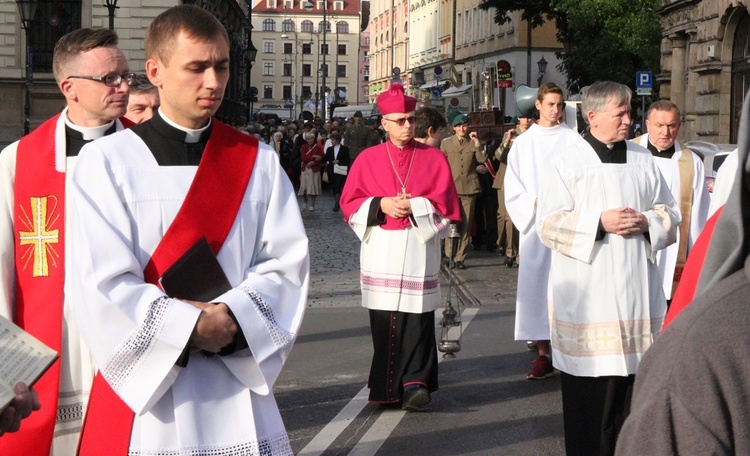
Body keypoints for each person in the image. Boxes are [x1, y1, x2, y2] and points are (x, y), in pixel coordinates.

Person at [66, 6, 309, 455]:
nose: (214, 83)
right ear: (155, 71)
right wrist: (191, 327)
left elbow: (286, 265)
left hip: (235, 384)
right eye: (197, 68)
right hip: (147, 401)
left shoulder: (257, 161)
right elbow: (98, 282)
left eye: (221, 66)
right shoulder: (105, 164)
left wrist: (232, 320)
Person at [0, 28, 134, 456]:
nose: (124, 87)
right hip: (55, 339)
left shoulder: (146, 153)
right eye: (109, 78)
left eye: (126, 75)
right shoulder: (17, 162)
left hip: (128, 332)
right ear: (69, 88)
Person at [536, 81, 679, 455]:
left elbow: (669, 212)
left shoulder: (643, 159)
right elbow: (547, 224)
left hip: (637, 296)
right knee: (592, 401)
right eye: (621, 114)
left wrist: (648, 222)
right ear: (593, 115)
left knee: (632, 398)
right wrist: (599, 223)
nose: (629, 121)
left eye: (630, 112)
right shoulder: (567, 162)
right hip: (589, 297)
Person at [340, 83, 460, 411]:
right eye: (400, 121)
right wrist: (381, 204)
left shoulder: (433, 158)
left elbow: (448, 206)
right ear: (384, 123)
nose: (408, 126)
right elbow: (350, 203)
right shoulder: (368, 159)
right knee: (385, 317)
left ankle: (416, 384)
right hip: (382, 246)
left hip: (418, 246)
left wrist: (418, 207)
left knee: (418, 317)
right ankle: (387, 386)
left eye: (410, 119)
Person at [504, 82, 580, 379]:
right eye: (550, 104)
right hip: (535, 224)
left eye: (560, 105)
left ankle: (568, 348)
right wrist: (533, 202)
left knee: (566, 286)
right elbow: (513, 187)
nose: (556, 110)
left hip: (567, 221)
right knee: (537, 288)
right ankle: (543, 352)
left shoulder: (573, 139)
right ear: (537, 105)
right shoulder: (524, 143)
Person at [633, 100, 709, 301]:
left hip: (673, 253)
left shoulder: (691, 162)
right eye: (659, 125)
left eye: (671, 125)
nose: (665, 132)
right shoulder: (629, 153)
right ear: (648, 124)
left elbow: (699, 216)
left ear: (679, 126)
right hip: (635, 245)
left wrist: (696, 262)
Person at [440, 114, 485, 269]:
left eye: (464, 125)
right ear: (453, 128)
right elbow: (441, 165)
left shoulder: (472, 143)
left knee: (466, 225)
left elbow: (482, 160)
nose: (462, 128)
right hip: (451, 189)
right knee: (450, 223)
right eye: (458, 126)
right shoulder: (446, 144)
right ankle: (449, 254)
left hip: (469, 189)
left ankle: (460, 257)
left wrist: (477, 143)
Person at [493, 115, 533, 268]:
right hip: (507, 179)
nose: (527, 120)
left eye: (529, 118)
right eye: (524, 118)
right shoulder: (511, 134)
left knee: (520, 217)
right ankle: (510, 250)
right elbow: (498, 156)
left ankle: (519, 252)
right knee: (507, 217)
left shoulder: (533, 134)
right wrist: (507, 141)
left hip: (525, 179)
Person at [298, 131, 324, 211]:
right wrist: (313, 156)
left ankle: (312, 204)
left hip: (314, 169)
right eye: (309, 139)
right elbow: (303, 158)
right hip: (305, 169)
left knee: (314, 187)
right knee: (304, 186)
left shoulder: (318, 147)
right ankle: (305, 200)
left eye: (312, 138)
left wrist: (313, 162)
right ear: (306, 140)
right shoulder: (304, 147)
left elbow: (321, 158)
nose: (311, 140)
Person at [325, 132, 350, 211]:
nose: (331, 142)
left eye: (333, 140)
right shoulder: (329, 149)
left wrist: (339, 161)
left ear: (337, 140)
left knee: (338, 186)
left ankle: (337, 203)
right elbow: (326, 159)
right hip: (332, 171)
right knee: (334, 187)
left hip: (340, 171)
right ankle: (337, 201)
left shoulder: (344, 149)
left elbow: (347, 160)